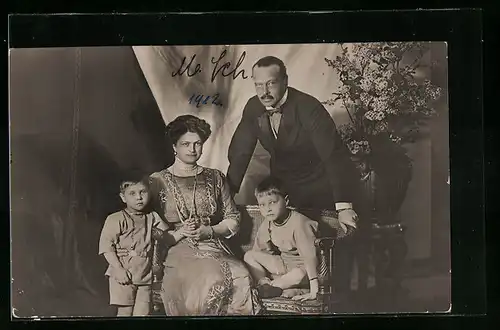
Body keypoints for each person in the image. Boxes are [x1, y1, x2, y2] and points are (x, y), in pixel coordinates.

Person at [227, 56, 360, 292]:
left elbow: (334, 156)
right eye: (258, 84)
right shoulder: (253, 107)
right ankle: (280, 289)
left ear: (285, 81)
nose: (264, 91)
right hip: (284, 188)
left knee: (318, 251)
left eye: (271, 83)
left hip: (320, 186)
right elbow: (240, 153)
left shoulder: (308, 107)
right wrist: (226, 198)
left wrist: (344, 205)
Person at [145, 114, 261, 315]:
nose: (192, 149)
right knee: (211, 278)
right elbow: (149, 224)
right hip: (176, 248)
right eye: (186, 144)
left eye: (197, 144)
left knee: (241, 275)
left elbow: (233, 217)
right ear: (174, 146)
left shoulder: (215, 177)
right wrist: (181, 233)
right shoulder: (157, 181)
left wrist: (209, 230)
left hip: (214, 245)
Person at [98, 171, 169, 316]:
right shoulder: (115, 218)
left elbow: (167, 235)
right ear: (123, 197)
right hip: (124, 272)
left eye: (143, 192)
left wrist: (162, 234)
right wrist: (118, 269)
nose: (139, 197)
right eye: (132, 193)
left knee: (143, 314)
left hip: (145, 274)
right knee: (125, 312)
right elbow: (106, 247)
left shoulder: (152, 217)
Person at [243, 176, 320, 302]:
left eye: (272, 202)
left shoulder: (299, 223)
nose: (267, 209)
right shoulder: (268, 223)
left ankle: (276, 287)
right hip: (284, 265)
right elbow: (261, 250)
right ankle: (267, 285)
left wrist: (314, 289)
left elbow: (310, 257)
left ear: (286, 201)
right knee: (249, 256)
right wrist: (263, 275)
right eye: (262, 205)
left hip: (306, 269)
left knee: (298, 275)